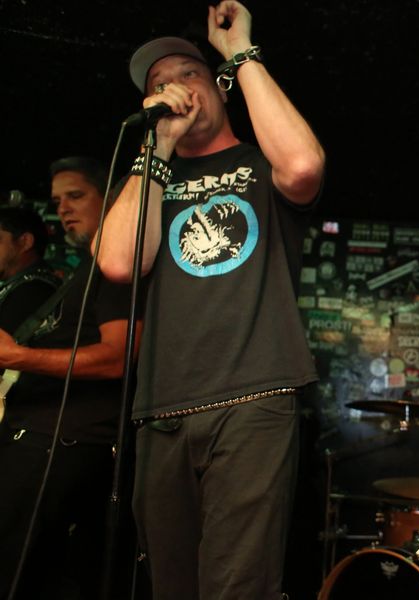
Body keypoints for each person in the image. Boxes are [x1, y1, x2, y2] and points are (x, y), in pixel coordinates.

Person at [96, 1, 324, 597]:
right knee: (171, 585)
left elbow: (304, 165)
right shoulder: (149, 177)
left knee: (238, 586)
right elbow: (118, 261)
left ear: (220, 86)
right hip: (160, 410)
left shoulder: (259, 164)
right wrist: (159, 146)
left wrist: (238, 52)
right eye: (159, 83)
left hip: (253, 398)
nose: (175, 87)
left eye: (188, 73)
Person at [0, 156, 139, 599]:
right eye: (58, 200)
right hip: (36, 437)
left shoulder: (116, 269)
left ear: (112, 200)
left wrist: (17, 356)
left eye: (76, 196)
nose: (63, 209)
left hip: (57, 443)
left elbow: (118, 358)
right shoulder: (85, 268)